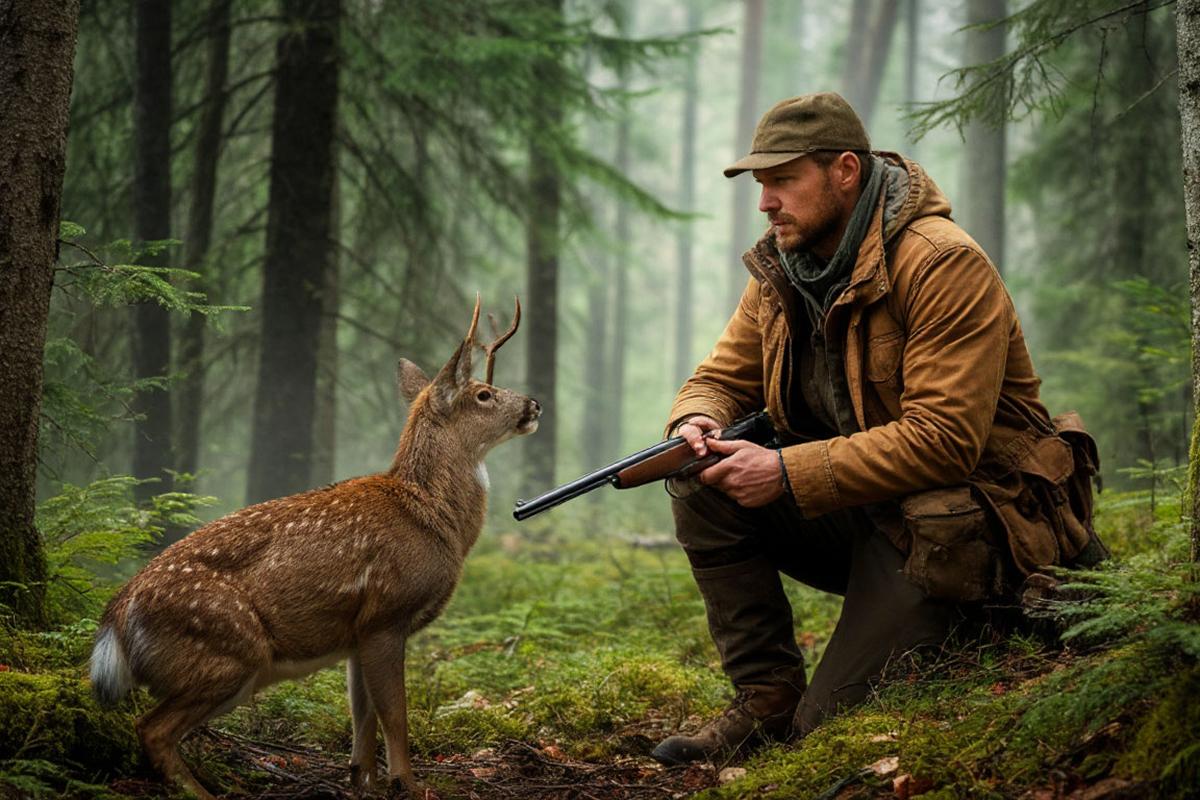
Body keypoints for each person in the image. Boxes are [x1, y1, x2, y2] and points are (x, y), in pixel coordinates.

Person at [651, 92, 1099, 766]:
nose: (766, 202)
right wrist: (698, 418)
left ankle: (992, 619)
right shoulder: (785, 266)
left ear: (845, 172)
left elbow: (945, 440)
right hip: (868, 509)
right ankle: (767, 697)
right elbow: (721, 375)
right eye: (761, 184)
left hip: (965, 524)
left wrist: (784, 471)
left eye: (783, 180)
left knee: (826, 732)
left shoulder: (941, 262)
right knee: (699, 481)